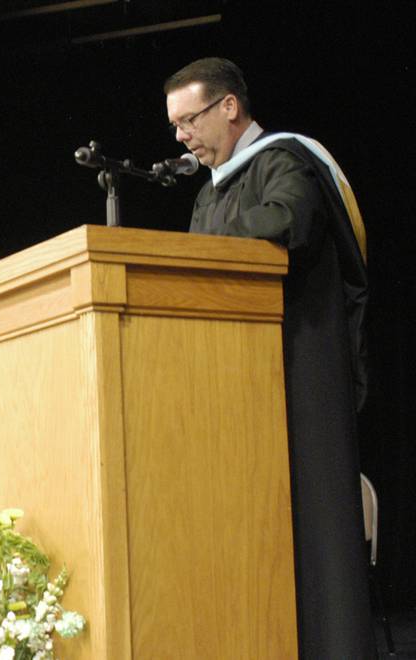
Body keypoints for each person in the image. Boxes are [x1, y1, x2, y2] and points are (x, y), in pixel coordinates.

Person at [164, 57, 372, 657]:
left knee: (313, 519)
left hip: (299, 367)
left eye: (189, 120)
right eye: (175, 126)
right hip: (236, 380)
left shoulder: (285, 161)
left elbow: (288, 222)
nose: (181, 136)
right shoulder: (210, 193)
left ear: (229, 106)